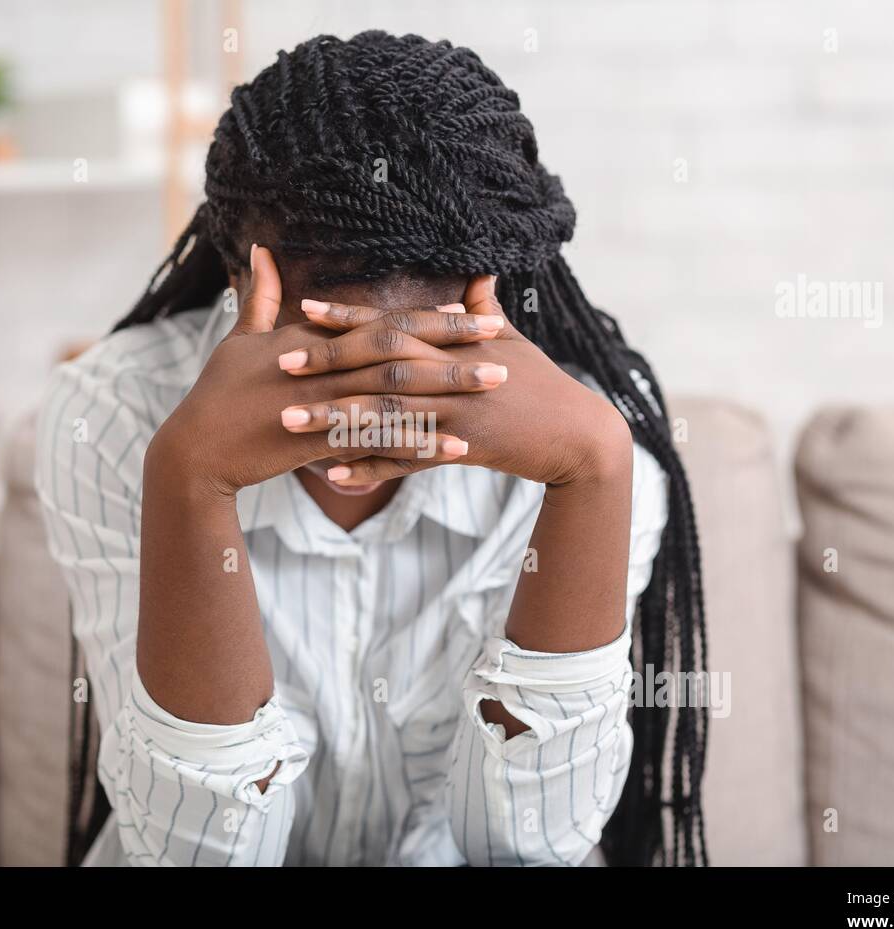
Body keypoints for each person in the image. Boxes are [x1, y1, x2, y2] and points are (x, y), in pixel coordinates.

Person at [37, 30, 706, 867]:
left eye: (418, 366)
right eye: (323, 364)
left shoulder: (594, 452)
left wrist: (595, 473)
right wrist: (190, 479)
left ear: (485, 303)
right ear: (241, 277)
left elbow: (534, 849)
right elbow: (194, 857)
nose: (369, 419)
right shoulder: (110, 415)